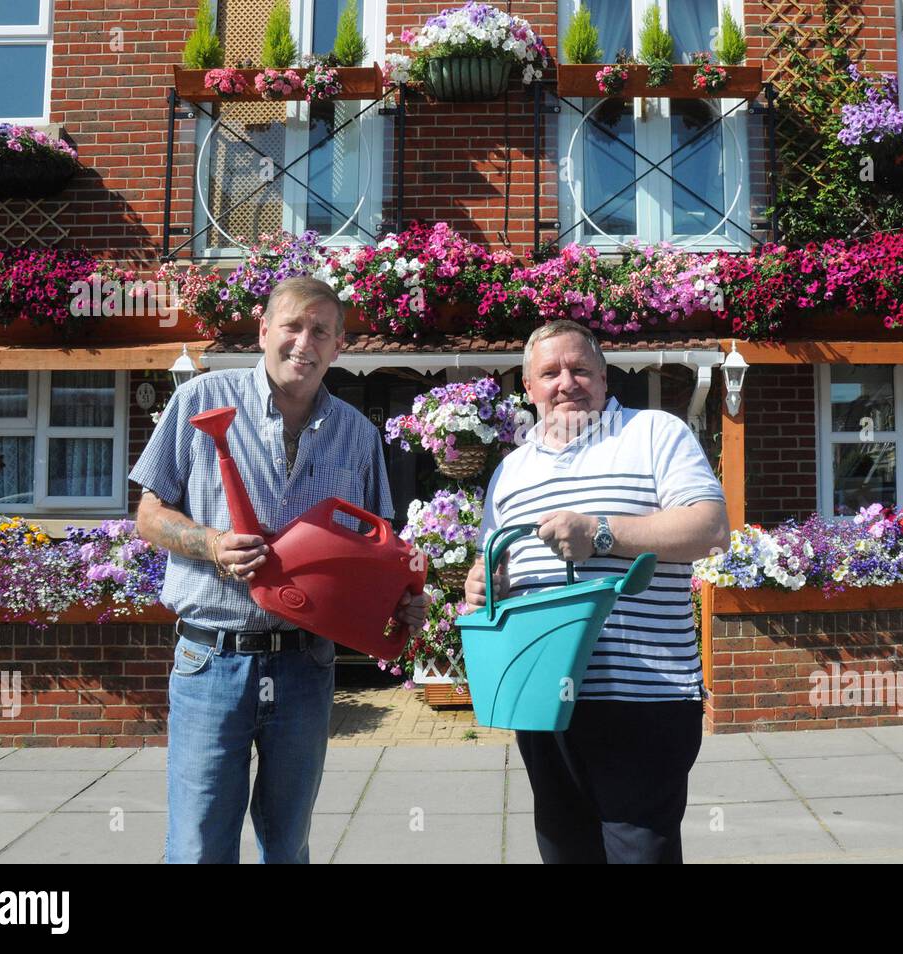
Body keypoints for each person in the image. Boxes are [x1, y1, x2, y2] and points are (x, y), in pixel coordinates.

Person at [130, 276, 427, 864]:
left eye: (320, 331)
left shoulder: (359, 436)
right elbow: (148, 515)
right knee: (197, 847)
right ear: (264, 331)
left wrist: (403, 603)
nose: (303, 342)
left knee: (287, 847)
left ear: (339, 346)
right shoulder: (200, 401)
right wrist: (210, 542)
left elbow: (381, 556)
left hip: (305, 665)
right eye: (291, 325)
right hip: (211, 658)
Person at [464, 319, 730, 864]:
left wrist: (601, 532)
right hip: (542, 696)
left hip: (644, 696)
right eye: (550, 372)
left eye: (580, 369)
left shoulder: (655, 433)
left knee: (640, 853)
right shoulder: (510, 470)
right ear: (528, 387)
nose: (566, 382)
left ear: (605, 379)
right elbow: (493, 568)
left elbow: (710, 528)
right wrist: (482, 582)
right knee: (564, 850)